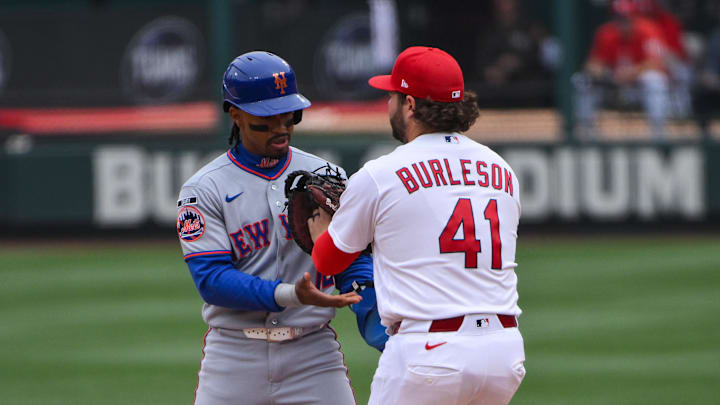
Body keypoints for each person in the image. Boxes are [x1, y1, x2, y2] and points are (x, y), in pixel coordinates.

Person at [308, 46, 526, 405]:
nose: (388, 104)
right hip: (503, 353)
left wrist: (322, 233)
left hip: (429, 354)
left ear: (410, 104)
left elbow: (328, 262)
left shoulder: (382, 174)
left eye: (392, 95)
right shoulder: (502, 169)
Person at [176, 51, 386, 405]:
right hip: (234, 356)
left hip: (313, 354)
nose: (281, 127)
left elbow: (353, 263)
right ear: (235, 114)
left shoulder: (327, 176)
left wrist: (381, 327)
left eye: (288, 116)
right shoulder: (203, 189)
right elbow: (212, 280)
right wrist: (290, 294)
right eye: (266, 118)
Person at [573, 0, 671, 139]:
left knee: (655, 79)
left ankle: (658, 130)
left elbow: (657, 62)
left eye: (626, 18)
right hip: (614, 85)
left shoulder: (648, 30)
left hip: (638, 87)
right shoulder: (607, 33)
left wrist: (632, 73)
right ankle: (587, 130)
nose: (623, 22)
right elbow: (594, 62)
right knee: (582, 80)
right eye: (619, 18)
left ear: (634, 17)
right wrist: (596, 69)